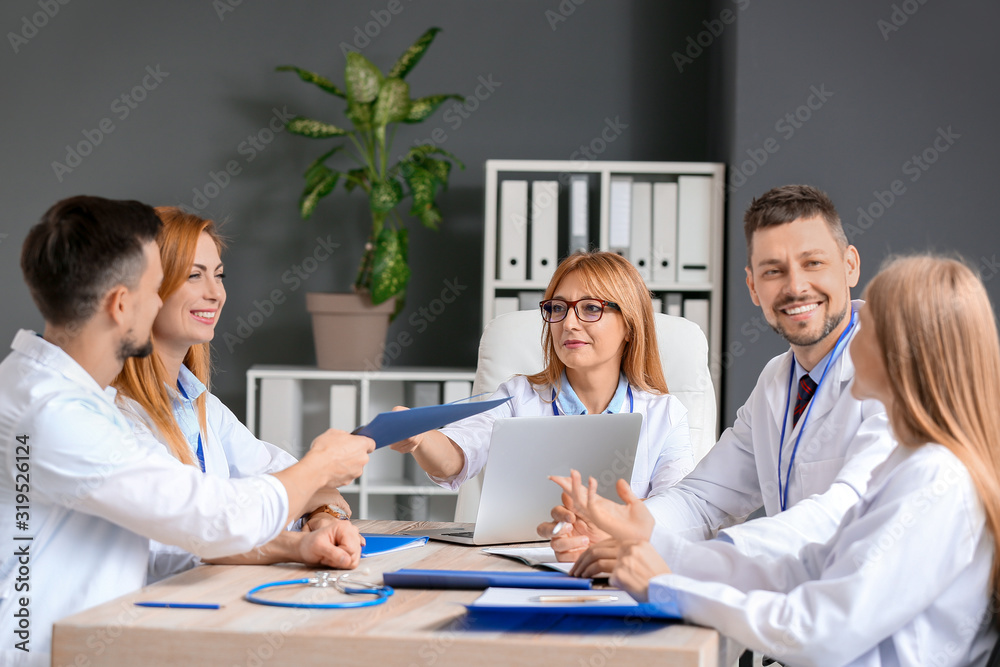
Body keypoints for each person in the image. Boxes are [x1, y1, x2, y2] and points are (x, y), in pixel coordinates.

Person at [566, 256, 1000, 665]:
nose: (851, 334)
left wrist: (665, 587)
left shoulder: (933, 478)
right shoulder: (911, 465)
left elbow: (818, 632)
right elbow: (802, 569)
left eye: (867, 326)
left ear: (903, 352)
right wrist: (654, 544)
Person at [0, 196, 374, 664]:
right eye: (159, 288)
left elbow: (170, 545)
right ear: (121, 304)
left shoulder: (67, 397)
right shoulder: (55, 413)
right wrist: (321, 464)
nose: (162, 302)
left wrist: (299, 540)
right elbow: (212, 517)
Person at [540, 185, 896, 565]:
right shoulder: (777, 381)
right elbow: (704, 499)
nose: (795, 287)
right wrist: (616, 526)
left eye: (813, 263)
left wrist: (706, 559)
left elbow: (846, 509)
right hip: (790, 604)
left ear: (850, 265)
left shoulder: (895, 375)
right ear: (753, 287)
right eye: (773, 270)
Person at [113, 207, 361, 582]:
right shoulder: (115, 413)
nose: (215, 293)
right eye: (194, 275)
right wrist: (295, 539)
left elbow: (299, 486)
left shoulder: (201, 406)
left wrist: (324, 517)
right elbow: (174, 545)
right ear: (145, 289)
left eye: (219, 276)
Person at [390, 250, 694, 500]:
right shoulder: (517, 398)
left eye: (590, 308)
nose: (569, 323)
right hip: (521, 560)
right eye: (558, 308)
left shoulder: (664, 415)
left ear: (629, 324)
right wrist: (421, 438)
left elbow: (675, 508)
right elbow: (456, 457)